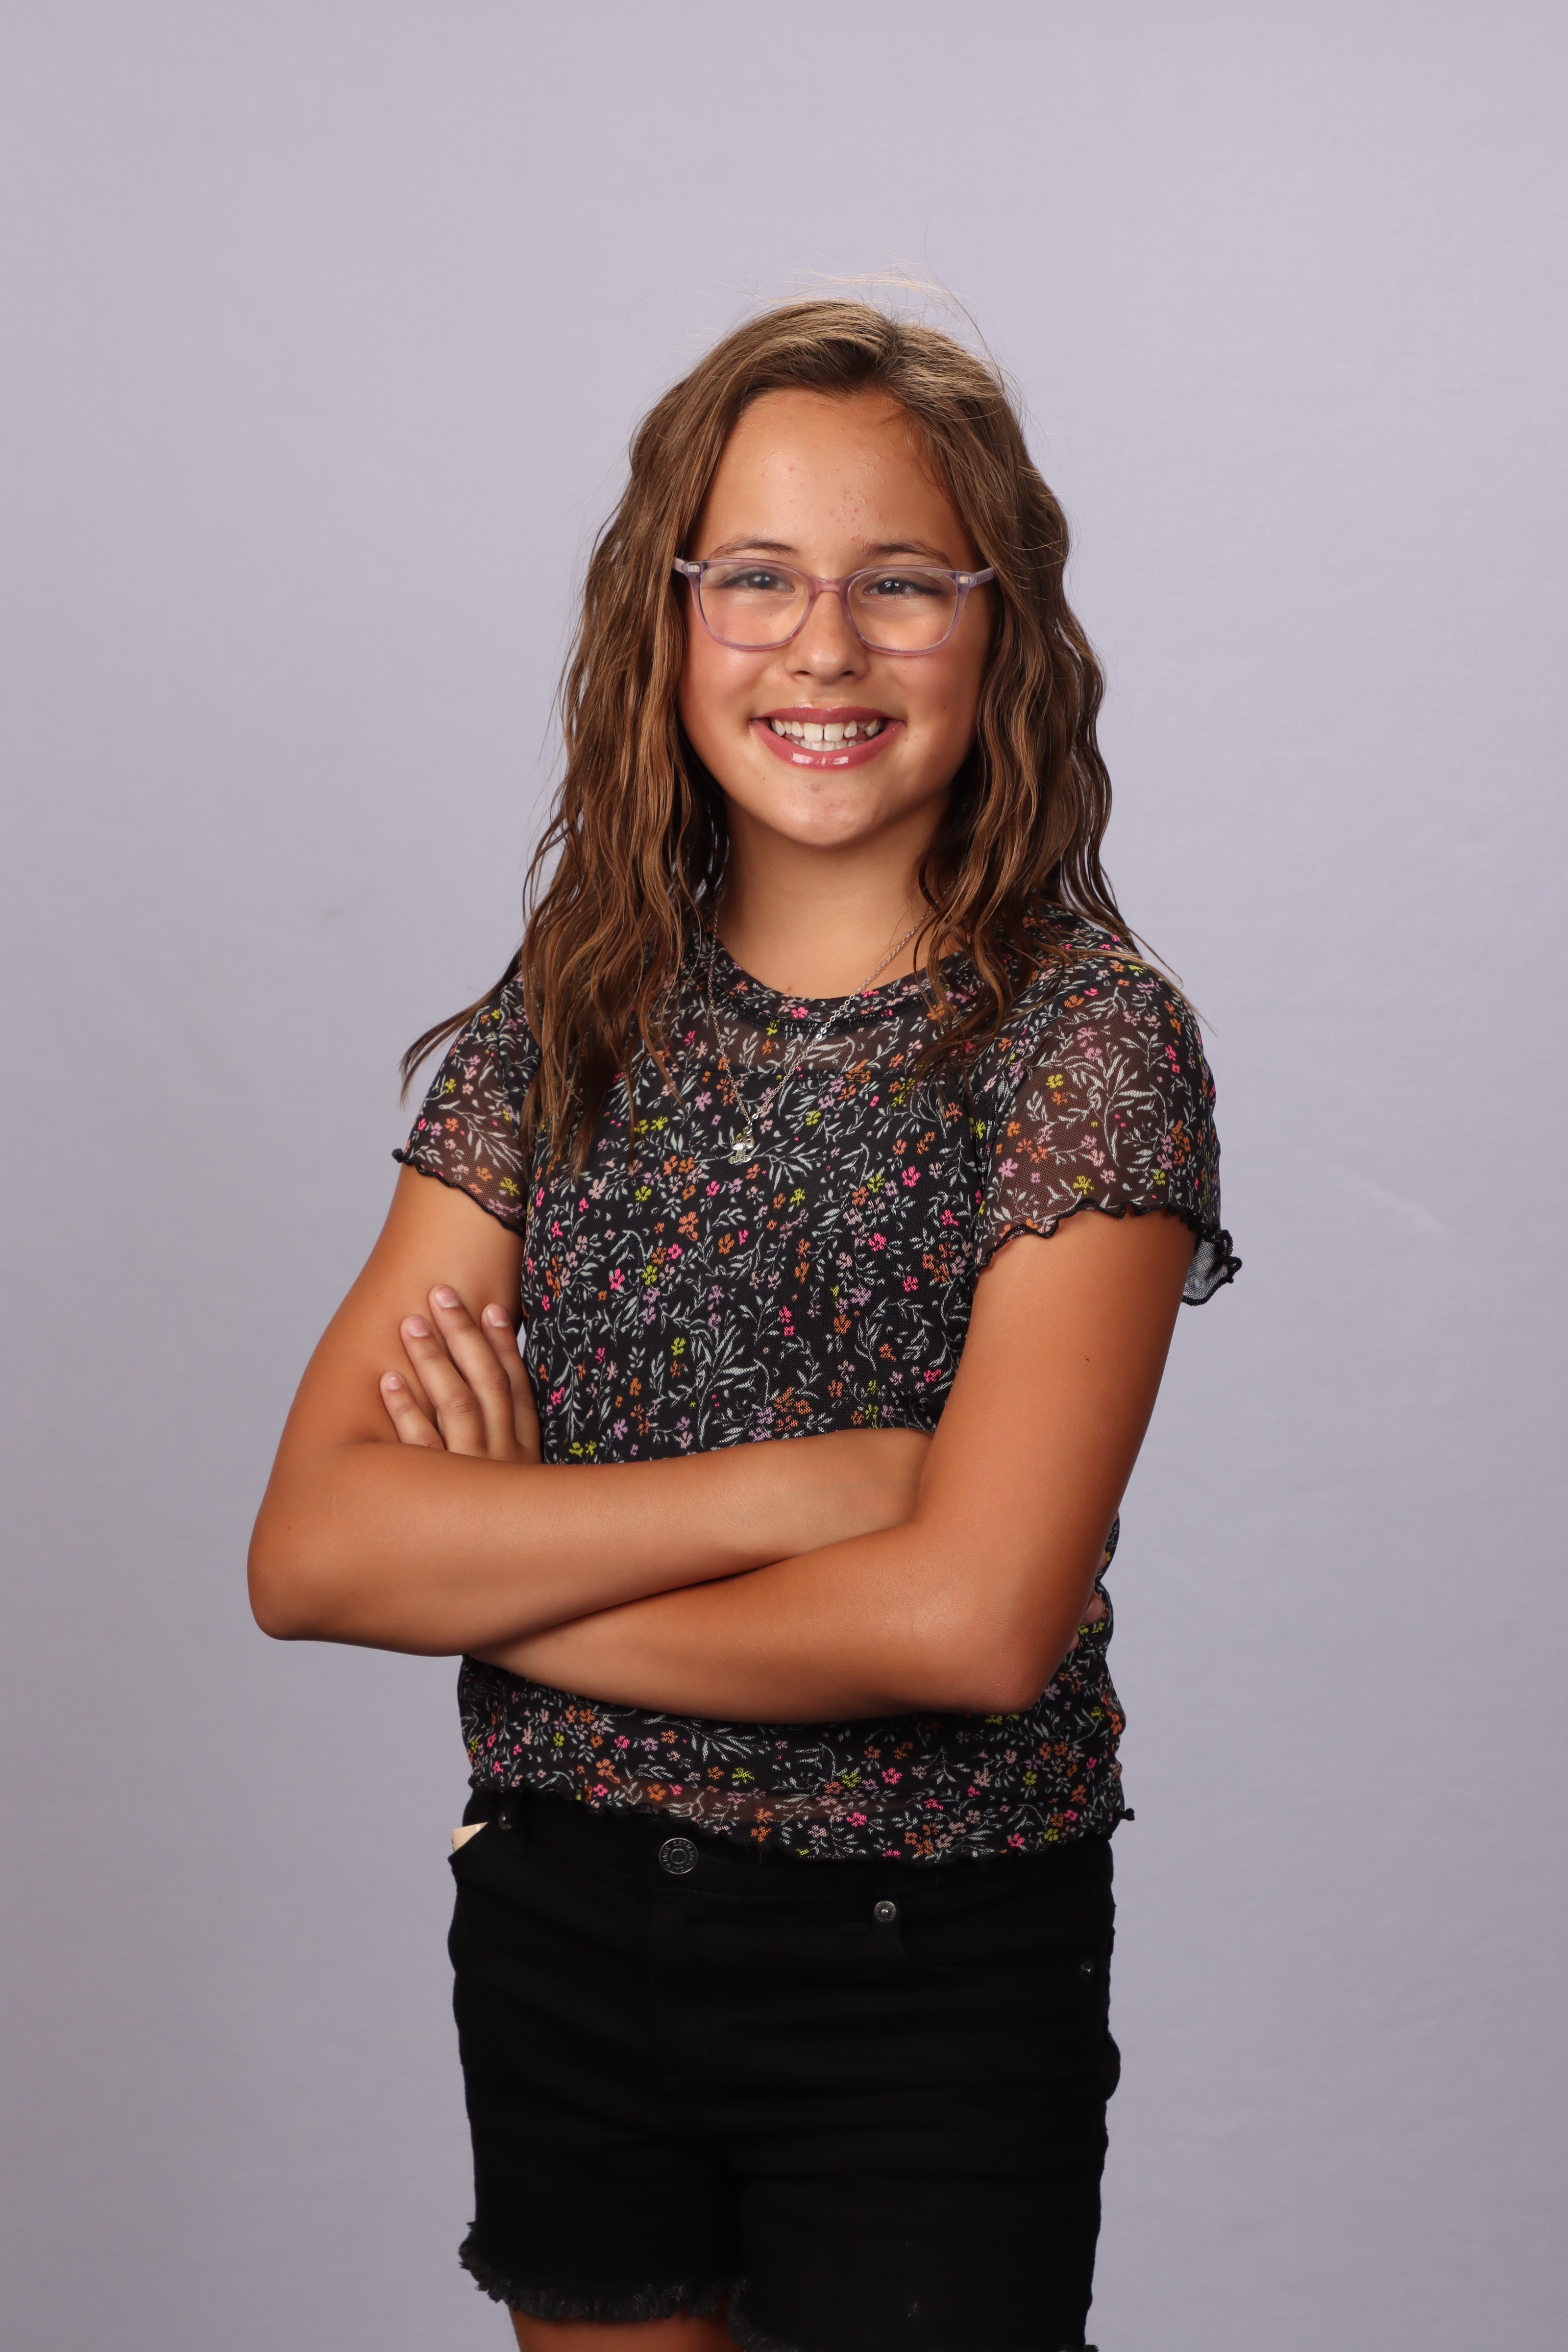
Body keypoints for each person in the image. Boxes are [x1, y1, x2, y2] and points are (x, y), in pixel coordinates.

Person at [249, 297, 1238, 2352]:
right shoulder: (564, 1024)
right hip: (561, 1928)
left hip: (922, 1964)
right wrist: (821, 1491)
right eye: (759, 578)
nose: (824, 645)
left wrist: (511, 1581)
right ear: (671, 618)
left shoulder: (1081, 1047)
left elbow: (971, 1628)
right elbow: (316, 1555)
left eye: (902, 582)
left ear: (999, 630)